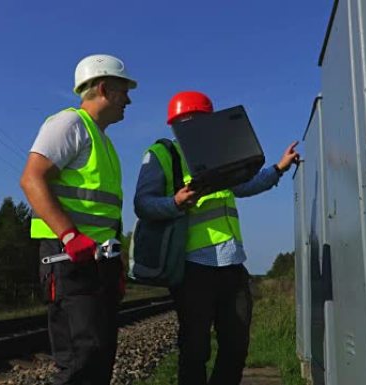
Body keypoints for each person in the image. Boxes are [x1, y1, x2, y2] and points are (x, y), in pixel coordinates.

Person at [133, 90, 300, 385]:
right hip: (192, 268)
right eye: (184, 121)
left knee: (236, 346)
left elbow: (244, 186)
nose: (190, 125)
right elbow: (143, 204)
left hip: (233, 265)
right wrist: (175, 202)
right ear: (174, 124)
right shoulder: (162, 154)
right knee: (195, 349)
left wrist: (277, 170)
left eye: (197, 119)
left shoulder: (221, 153)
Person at [20, 54, 136, 385]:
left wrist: (117, 262)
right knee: (79, 362)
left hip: (99, 263)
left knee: (98, 360)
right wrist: (70, 236)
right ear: (103, 88)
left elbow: (104, 212)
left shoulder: (103, 141)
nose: (128, 99)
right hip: (69, 259)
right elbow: (32, 179)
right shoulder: (69, 125)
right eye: (123, 90)